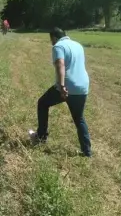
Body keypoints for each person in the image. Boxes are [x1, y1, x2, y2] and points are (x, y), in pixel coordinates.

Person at [28, 27, 92, 157]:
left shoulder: (58, 46)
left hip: (67, 86)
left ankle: (40, 138)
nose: (51, 42)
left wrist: (62, 86)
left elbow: (60, 65)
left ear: (54, 38)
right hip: (82, 86)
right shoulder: (77, 45)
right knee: (79, 118)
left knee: (42, 103)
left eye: (51, 40)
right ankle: (87, 152)